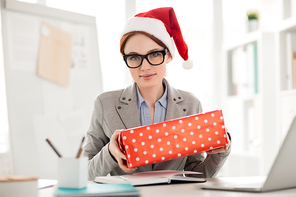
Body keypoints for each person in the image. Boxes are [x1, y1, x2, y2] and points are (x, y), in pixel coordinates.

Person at [83, 7, 231, 180]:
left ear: (168, 55)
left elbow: (197, 174)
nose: (145, 67)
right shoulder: (105, 104)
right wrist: (110, 152)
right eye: (134, 57)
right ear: (126, 59)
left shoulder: (191, 103)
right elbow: (84, 173)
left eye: (154, 54)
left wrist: (221, 151)